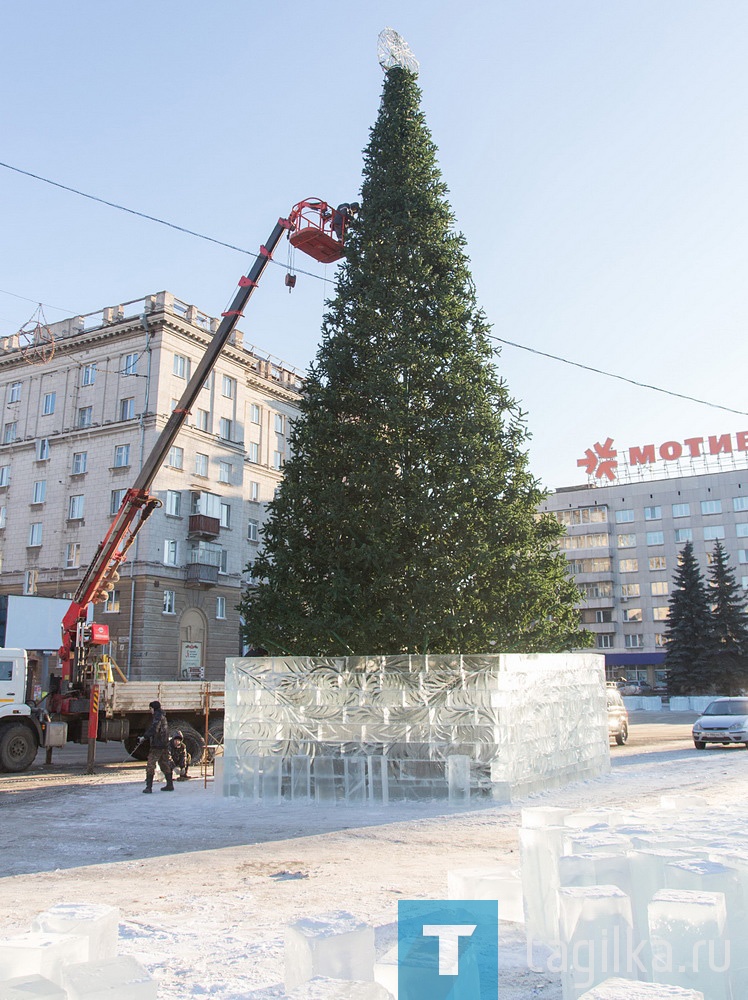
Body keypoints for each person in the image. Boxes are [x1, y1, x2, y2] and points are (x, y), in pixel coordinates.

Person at [139, 700, 174, 793]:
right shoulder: (162, 715)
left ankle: (148, 787)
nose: (150, 710)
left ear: (153, 708)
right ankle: (170, 785)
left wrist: (144, 737)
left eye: (150, 708)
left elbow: (154, 728)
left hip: (157, 745)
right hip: (164, 744)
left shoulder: (157, 716)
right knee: (164, 764)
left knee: (151, 765)